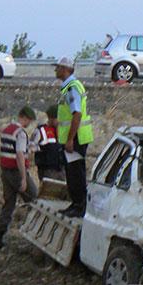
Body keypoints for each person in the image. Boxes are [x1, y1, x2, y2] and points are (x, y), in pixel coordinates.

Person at [53, 56, 94, 218]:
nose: (56, 70)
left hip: (76, 138)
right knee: (73, 172)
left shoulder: (71, 88)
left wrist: (70, 139)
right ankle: (77, 204)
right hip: (76, 137)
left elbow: (76, 114)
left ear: (65, 69)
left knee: (75, 173)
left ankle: (79, 206)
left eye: (58, 68)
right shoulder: (70, 86)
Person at [0, 106, 39, 248]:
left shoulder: (7, 130)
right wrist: (24, 178)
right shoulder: (21, 133)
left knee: (9, 204)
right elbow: (20, 155)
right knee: (35, 200)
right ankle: (36, 234)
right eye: (29, 121)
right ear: (24, 118)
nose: (29, 125)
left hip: (5, 170)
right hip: (16, 171)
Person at [30, 105, 65, 182]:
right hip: (47, 170)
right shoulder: (41, 130)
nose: (59, 121)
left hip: (61, 169)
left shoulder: (62, 130)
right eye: (57, 118)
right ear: (51, 118)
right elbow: (31, 147)